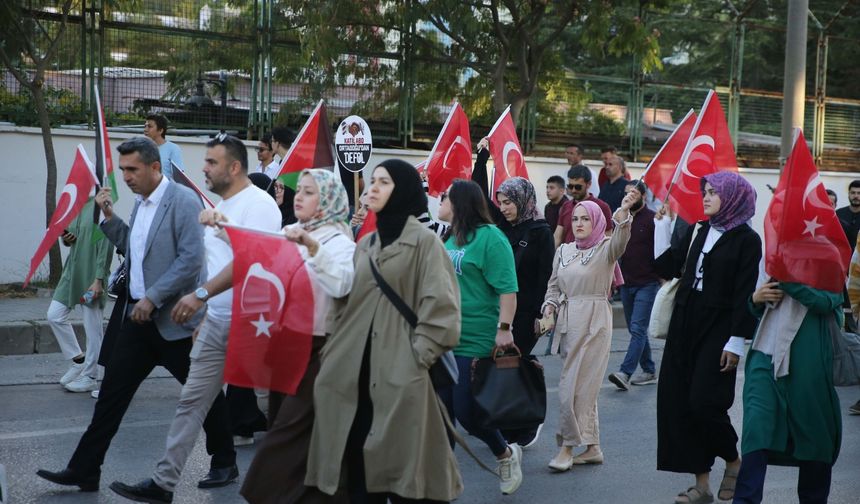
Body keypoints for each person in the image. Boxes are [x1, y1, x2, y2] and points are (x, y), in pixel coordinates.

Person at [36, 136, 235, 494]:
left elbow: (191, 260)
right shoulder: (141, 204)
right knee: (111, 397)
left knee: (203, 395)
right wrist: (109, 219)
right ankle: (85, 469)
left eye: (133, 169)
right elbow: (136, 249)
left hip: (174, 321)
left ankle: (224, 461)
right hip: (138, 322)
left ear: (155, 167)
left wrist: (154, 298)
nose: (126, 177)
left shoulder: (182, 201)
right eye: (124, 168)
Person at [106, 134, 281, 503]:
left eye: (212, 162)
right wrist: (206, 309)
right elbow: (204, 262)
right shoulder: (220, 204)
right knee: (191, 401)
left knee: (277, 408)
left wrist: (201, 294)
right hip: (216, 320)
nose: (204, 168)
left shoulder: (260, 205)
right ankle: (163, 483)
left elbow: (252, 261)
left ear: (234, 167)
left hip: (253, 323)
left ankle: (297, 480)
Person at [305, 160, 463, 503]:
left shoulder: (426, 243)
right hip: (354, 374)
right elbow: (346, 303)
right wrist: (333, 351)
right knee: (359, 475)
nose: (372, 188)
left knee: (406, 476)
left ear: (403, 190)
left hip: (401, 377)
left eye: (384, 182)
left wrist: (414, 361)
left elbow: (442, 312)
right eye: (372, 181)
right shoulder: (366, 243)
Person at [240, 169, 356, 504]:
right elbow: (260, 264)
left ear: (329, 201)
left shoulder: (340, 243)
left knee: (286, 434)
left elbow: (342, 284)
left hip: (319, 350)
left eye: (308, 192)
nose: (299, 197)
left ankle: (262, 494)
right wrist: (222, 230)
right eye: (299, 190)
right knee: (293, 430)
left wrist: (313, 248)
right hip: (287, 345)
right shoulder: (295, 233)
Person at [654, 171, 761, 504]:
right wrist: (661, 226)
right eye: (706, 191)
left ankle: (733, 458)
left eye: (714, 192)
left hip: (719, 324)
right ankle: (701, 485)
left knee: (704, 401)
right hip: (686, 319)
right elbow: (668, 267)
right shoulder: (701, 228)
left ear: (732, 198)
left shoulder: (747, 240)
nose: (707, 196)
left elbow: (744, 293)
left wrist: (736, 341)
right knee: (681, 402)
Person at [435, 178, 523, 495]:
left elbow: (507, 289)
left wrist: (504, 328)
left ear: (459, 203)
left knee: (466, 411)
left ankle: (505, 453)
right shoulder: (449, 237)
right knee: (442, 414)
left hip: (476, 336)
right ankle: (442, 480)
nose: (439, 201)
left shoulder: (491, 238)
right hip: (445, 336)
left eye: (444, 196)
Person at [541, 193, 635, 472]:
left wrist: (623, 214)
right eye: (575, 219)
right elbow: (554, 287)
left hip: (595, 321)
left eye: (586, 219)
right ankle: (593, 448)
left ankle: (567, 447)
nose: (579, 223)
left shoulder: (606, 248)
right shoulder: (564, 251)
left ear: (597, 222)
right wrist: (548, 308)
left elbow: (621, 240)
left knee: (576, 387)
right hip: (568, 323)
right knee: (583, 386)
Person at [732, 281, 842, 503]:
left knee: (815, 438)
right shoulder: (774, 252)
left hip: (810, 363)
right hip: (766, 354)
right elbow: (758, 304)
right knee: (756, 430)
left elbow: (827, 301)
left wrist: (789, 282)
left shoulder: (829, 253)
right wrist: (756, 299)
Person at [47, 199, 114, 393]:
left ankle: (91, 375)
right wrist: (67, 238)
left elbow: (105, 246)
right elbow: (70, 239)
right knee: (54, 315)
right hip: (72, 273)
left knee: (93, 329)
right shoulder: (76, 207)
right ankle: (78, 360)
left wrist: (99, 278)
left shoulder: (100, 208)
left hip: (91, 275)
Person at [608, 180, 660, 390]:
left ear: (644, 197)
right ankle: (648, 369)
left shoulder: (653, 219)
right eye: (627, 193)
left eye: (634, 194)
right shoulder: (622, 217)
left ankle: (625, 372)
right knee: (634, 329)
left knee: (638, 328)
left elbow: (661, 248)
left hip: (647, 283)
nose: (630, 197)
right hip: (626, 283)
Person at [554, 165, 613, 248]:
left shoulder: (602, 207)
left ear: (588, 184)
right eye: (570, 186)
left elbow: (607, 238)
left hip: (592, 257)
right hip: (569, 257)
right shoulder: (566, 206)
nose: (573, 190)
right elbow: (557, 237)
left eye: (578, 187)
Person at [143, 114, 183, 180]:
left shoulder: (173, 149)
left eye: (149, 126)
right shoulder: (142, 149)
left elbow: (179, 177)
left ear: (160, 130)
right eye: (145, 126)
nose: (145, 129)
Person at [836, 180, 860, 253]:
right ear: (848, 194)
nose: (856, 196)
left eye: (859, 193)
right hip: (841, 257)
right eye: (853, 193)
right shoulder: (837, 214)